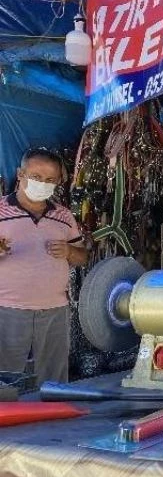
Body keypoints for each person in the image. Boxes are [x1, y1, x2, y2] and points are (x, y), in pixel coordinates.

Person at [0, 147, 88, 383]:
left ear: (58, 182)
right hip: (8, 309)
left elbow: (83, 257)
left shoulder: (64, 216)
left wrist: (70, 251)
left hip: (55, 310)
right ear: (20, 174)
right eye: (36, 177)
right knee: (5, 378)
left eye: (50, 180)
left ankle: (53, 408)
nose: (43, 184)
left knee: (54, 378)